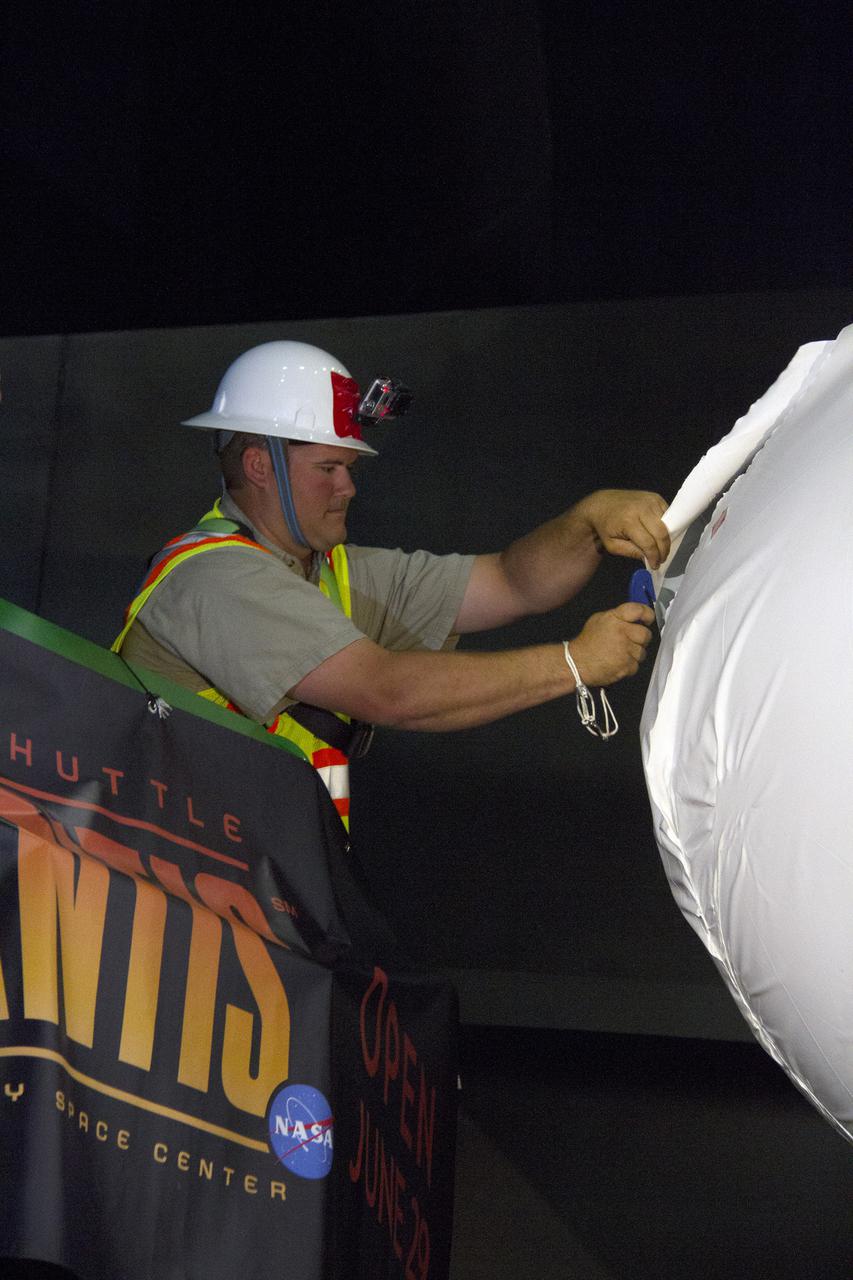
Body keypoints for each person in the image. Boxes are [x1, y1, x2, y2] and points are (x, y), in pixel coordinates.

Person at [114, 340, 668, 828]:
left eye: (351, 468)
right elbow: (388, 692)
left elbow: (510, 582)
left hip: (248, 881)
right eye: (328, 468)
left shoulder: (330, 572)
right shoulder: (215, 579)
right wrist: (573, 663)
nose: (348, 487)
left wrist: (588, 524)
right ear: (260, 467)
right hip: (175, 882)